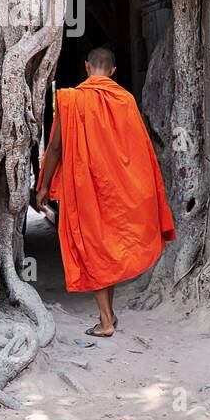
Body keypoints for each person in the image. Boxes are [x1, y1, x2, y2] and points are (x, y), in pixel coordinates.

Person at [34, 46, 175, 337]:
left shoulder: (71, 99)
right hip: (117, 191)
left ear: (87, 67)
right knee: (105, 248)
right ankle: (108, 315)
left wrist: (44, 185)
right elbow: (137, 149)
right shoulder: (125, 99)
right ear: (112, 71)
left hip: (86, 188)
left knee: (94, 248)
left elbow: (57, 147)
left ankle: (106, 321)